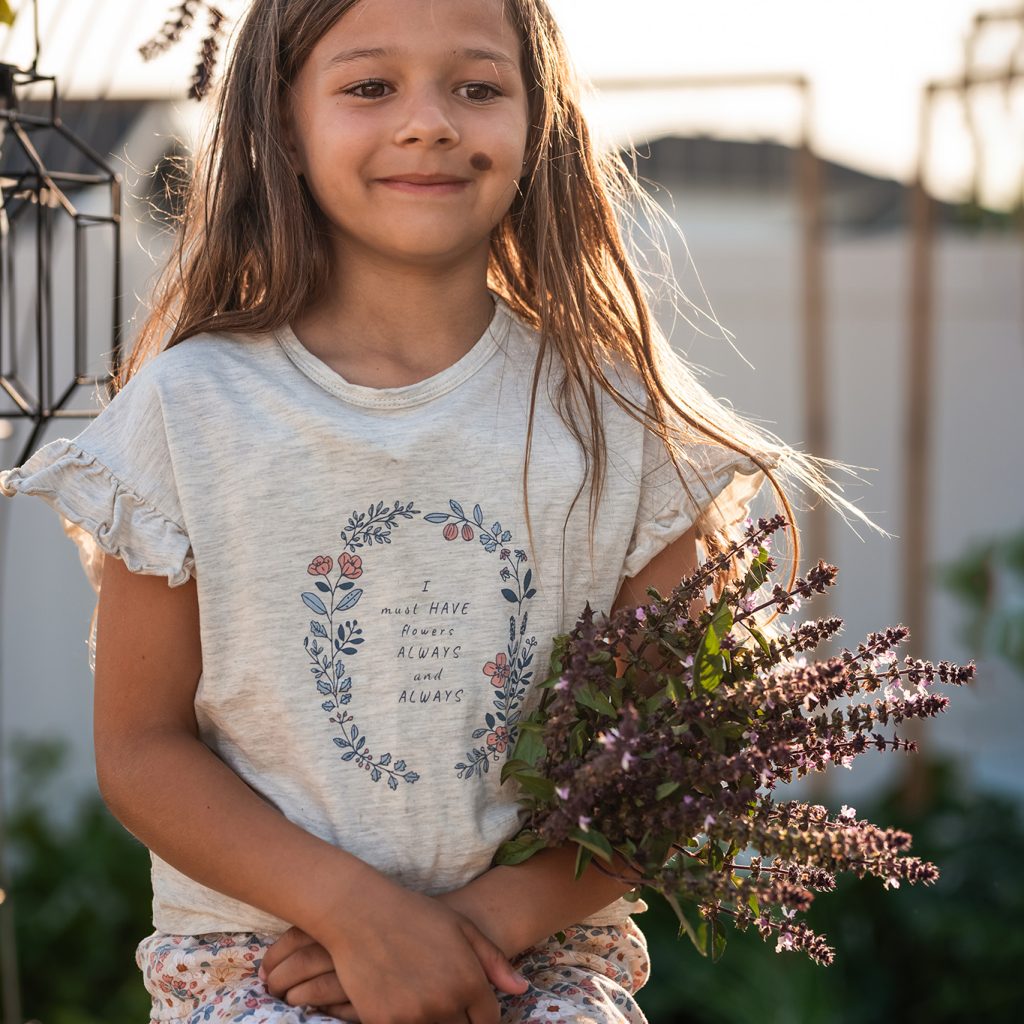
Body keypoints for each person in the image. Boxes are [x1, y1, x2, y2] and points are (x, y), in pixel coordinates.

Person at [0, 0, 881, 1021]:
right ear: (284, 124)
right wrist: (357, 916)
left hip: (534, 963)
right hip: (260, 964)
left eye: (477, 87)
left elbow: (674, 761)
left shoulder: (615, 422)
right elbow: (143, 751)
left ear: (538, 120)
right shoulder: (188, 411)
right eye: (370, 87)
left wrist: (473, 928)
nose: (429, 122)